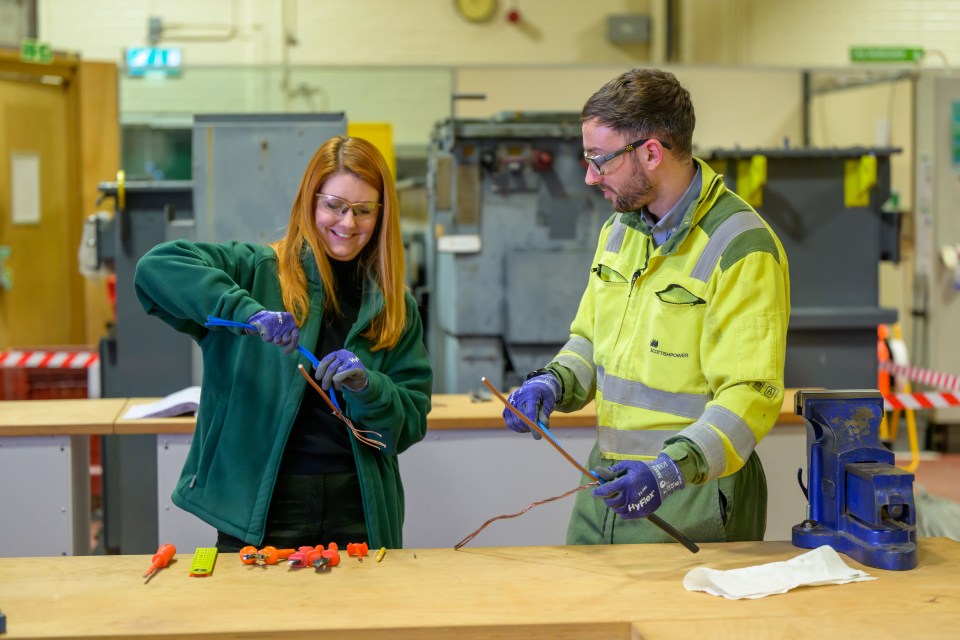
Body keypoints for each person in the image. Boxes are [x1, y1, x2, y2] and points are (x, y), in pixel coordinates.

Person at [503, 68, 790, 544]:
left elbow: (749, 396)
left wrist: (668, 472)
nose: (591, 177)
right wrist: (552, 382)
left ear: (652, 152)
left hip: (693, 493)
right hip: (607, 482)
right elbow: (590, 340)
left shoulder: (740, 247)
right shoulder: (620, 230)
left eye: (600, 160)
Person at [134, 136, 432, 552]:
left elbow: (411, 422)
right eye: (334, 206)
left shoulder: (394, 307)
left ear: (382, 216)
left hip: (358, 509)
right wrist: (246, 313)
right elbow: (157, 267)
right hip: (260, 508)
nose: (347, 223)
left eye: (363, 211)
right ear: (309, 202)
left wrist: (369, 387)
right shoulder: (256, 272)